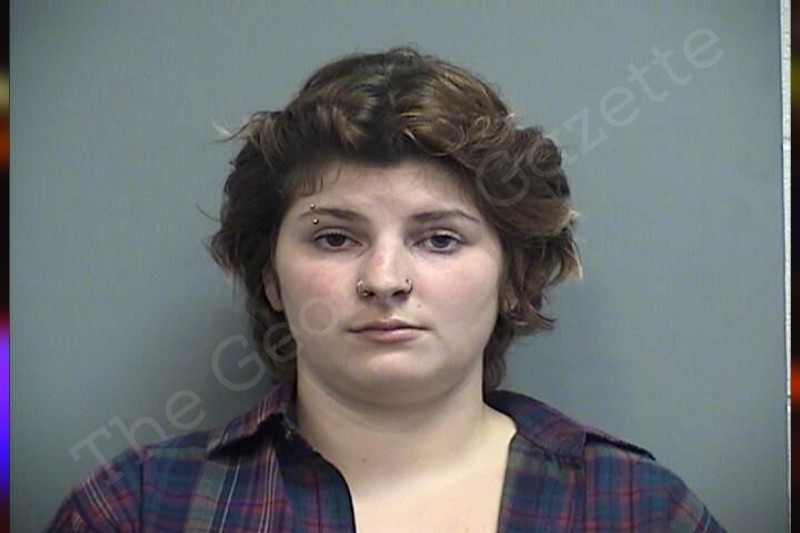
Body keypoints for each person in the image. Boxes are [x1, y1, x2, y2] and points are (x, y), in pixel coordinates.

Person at [49, 47, 725, 532]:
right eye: (334, 238)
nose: (384, 280)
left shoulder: (637, 509)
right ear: (270, 277)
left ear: (515, 277)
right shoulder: (140, 508)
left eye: (440, 239)